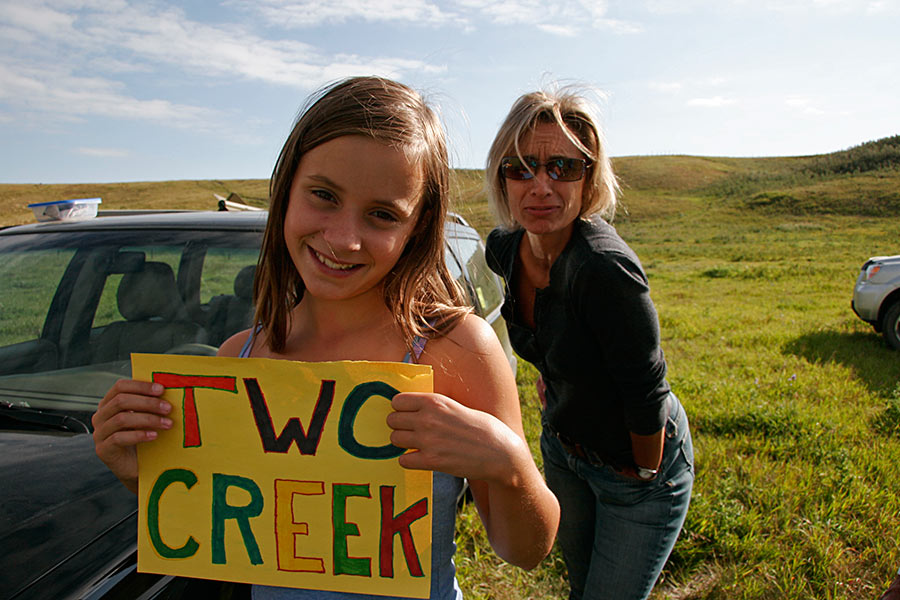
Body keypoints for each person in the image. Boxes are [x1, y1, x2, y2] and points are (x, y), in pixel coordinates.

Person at [92, 75, 560, 599]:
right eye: (323, 196)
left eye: (382, 214)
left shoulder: (458, 350)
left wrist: (511, 467)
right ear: (286, 188)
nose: (343, 238)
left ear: (418, 226)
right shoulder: (239, 359)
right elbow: (221, 533)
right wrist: (142, 474)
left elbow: (526, 550)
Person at [483, 85, 694, 600]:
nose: (540, 186)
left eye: (562, 167)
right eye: (521, 167)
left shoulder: (605, 269)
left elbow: (645, 389)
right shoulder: (505, 249)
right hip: (562, 452)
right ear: (502, 178)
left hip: (637, 467)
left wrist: (642, 469)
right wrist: (555, 380)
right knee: (580, 585)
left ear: (589, 178)